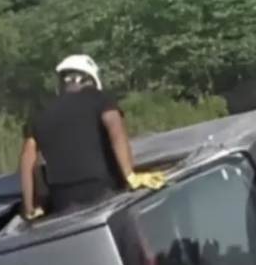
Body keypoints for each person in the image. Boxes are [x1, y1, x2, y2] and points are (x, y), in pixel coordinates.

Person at [18, 54, 165, 220]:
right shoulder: (99, 99)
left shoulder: (40, 114)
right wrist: (130, 175)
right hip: (102, 190)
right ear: (88, 78)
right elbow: (116, 132)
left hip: (62, 198)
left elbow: (27, 161)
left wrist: (31, 206)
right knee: (127, 237)